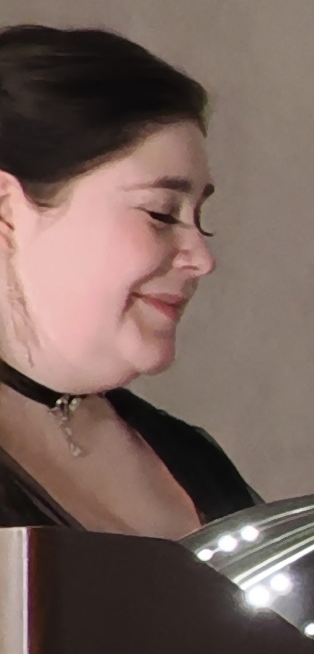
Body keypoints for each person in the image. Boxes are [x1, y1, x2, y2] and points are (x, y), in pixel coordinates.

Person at [0, 26, 250, 534]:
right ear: (6, 212)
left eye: (199, 218)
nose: (202, 259)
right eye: (160, 213)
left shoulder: (191, 458)